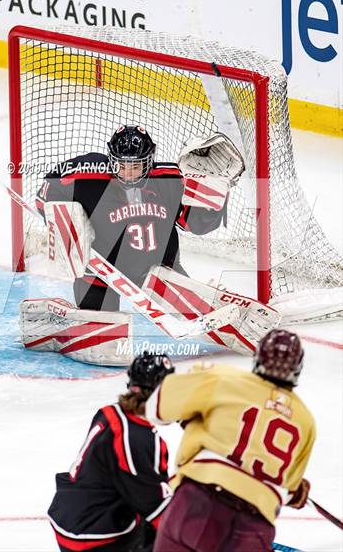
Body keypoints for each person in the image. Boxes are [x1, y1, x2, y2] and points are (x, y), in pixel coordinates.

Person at [36, 125, 242, 311]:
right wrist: (69, 227)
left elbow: (195, 225)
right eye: (121, 166)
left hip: (162, 271)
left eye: (135, 167)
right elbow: (43, 196)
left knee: (196, 314)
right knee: (102, 337)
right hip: (101, 271)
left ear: (149, 162)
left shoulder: (169, 179)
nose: (128, 174)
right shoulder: (88, 176)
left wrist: (213, 190)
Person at [145, 329, 316, 552]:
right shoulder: (305, 421)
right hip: (254, 526)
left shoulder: (223, 379)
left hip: (199, 503)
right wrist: (295, 492)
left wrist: (195, 417)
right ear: (298, 368)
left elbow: (156, 409)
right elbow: (289, 490)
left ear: (259, 357)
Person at [48, 351, 175, 552]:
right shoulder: (137, 438)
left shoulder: (110, 412)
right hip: (92, 536)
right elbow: (157, 509)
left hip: (70, 515)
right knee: (172, 534)